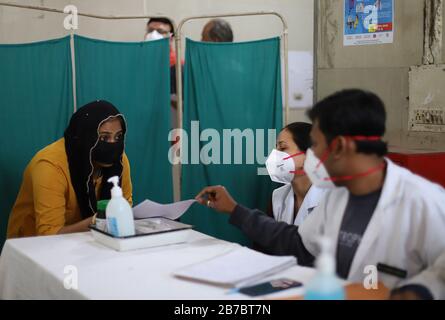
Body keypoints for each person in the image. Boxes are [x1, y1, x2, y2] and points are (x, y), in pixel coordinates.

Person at [195, 89, 445, 299]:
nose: (311, 154)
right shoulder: (338, 196)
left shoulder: (424, 202)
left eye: (314, 144)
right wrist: (235, 211)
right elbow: (300, 244)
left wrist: (417, 291)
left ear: (338, 147)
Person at [7, 100, 132, 237]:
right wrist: (99, 221)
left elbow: (125, 207)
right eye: (103, 138)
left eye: (118, 137)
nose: (113, 145)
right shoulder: (50, 166)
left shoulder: (119, 161)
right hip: (31, 247)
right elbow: (49, 234)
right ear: (85, 136)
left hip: (89, 243)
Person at [267, 122, 325, 226]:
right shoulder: (277, 197)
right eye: (276, 149)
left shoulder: (334, 199)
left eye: (283, 148)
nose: (275, 156)